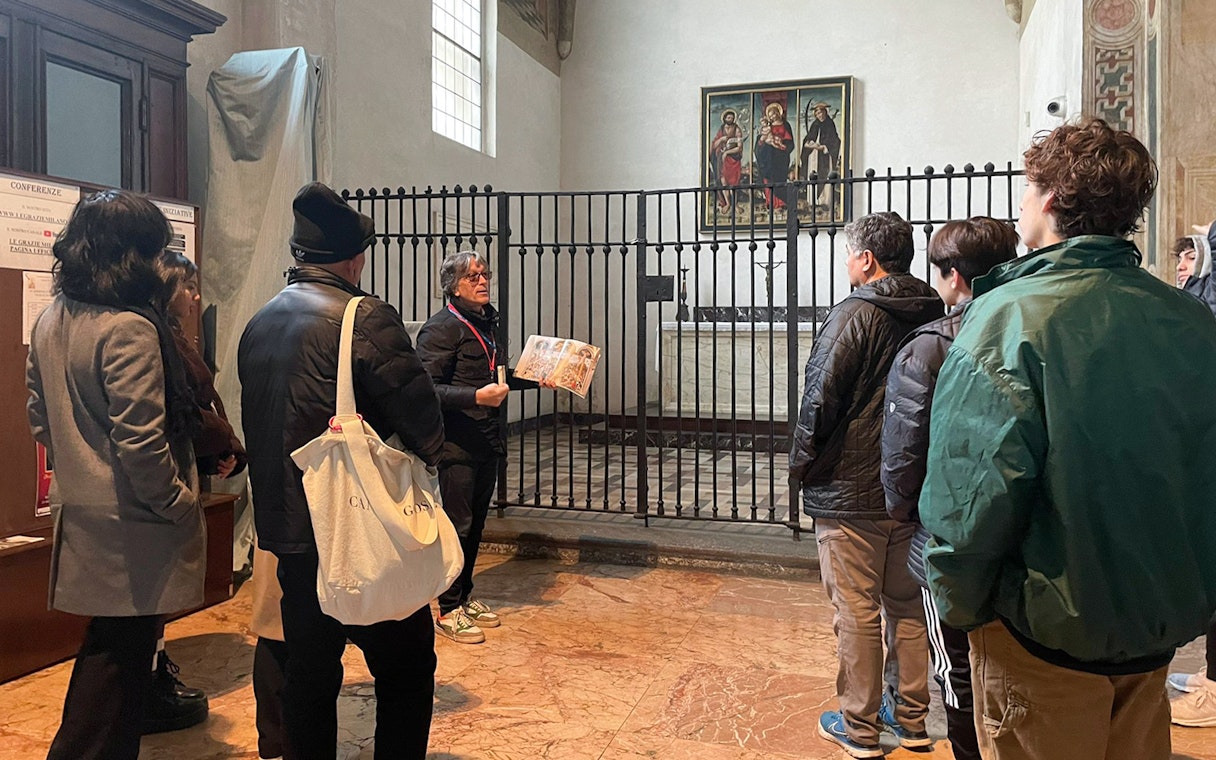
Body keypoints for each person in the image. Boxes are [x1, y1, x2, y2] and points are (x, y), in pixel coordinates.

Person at [919, 118, 1216, 760]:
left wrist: (962, 609)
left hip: (1042, 635)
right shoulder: (1191, 319)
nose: (1021, 205)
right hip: (1152, 627)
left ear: (1050, 199)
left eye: (1027, 190)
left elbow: (973, 498)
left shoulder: (1008, 319)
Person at [238, 181, 445, 760]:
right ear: (355, 258)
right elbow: (424, 422)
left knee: (309, 671)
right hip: (356, 531)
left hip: (289, 533)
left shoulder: (260, 321)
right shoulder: (366, 318)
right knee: (406, 666)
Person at [26, 189, 205, 760]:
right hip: (134, 520)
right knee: (116, 668)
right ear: (134, 255)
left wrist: (81, 467)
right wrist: (179, 503)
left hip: (82, 510)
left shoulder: (52, 316)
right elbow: (142, 442)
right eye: (155, 249)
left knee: (114, 656)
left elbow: (40, 418)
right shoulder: (128, 327)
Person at [788, 211, 942, 758]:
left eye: (849, 254)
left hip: (851, 490)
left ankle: (859, 727)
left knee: (855, 610)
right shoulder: (936, 309)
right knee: (906, 605)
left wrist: (802, 468)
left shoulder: (854, 313)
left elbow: (819, 398)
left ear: (867, 259)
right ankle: (912, 719)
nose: (847, 263)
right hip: (910, 487)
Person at [879, 217, 1018, 760]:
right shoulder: (1031, 323)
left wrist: (907, 515)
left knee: (956, 664)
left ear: (953, 276)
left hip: (947, 534)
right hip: (1019, 526)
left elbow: (904, 452)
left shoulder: (934, 344)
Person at [415, 250, 548, 644]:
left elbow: (498, 375)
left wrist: (540, 378)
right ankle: (448, 609)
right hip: (456, 443)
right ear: (453, 286)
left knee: (475, 526)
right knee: (457, 526)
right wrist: (475, 397)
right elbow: (426, 389)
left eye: (484, 274)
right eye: (472, 276)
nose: (483, 281)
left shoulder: (488, 323)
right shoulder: (440, 329)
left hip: (487, 439)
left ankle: (465, 595)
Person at [800, 102, 842, 211]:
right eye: (818, 113)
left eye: (821, 112)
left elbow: (835, 140)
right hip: (813, 156)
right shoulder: (815, 124)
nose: (820, 115)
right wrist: (808, 143)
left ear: (825, 112)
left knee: (824, 177)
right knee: (813, 175)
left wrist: (824, 147)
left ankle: (824, 202)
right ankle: (813, 201)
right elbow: (808, 138)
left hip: (824, 156)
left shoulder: (829, 124)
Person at [754, 100, 794, 211]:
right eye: (771, 115)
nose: (773, 116)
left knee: (780, 179)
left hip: (780, 158)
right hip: (768, 157)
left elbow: (790, 142)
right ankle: (770, 201)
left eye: (775, 113)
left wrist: (781, 144)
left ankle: (781, 202)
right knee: (768, 179)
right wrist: (763, 141)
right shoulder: (767, 126)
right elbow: (759, 143)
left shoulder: (785, 125)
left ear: (778, 113)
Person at [710, 108, 746, 212]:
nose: (730, 119)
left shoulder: (737, 129)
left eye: (732, 118)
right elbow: (714, 145)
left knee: (734, 183)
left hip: (733, 159)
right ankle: (727, 203)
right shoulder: (721, 130)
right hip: (722, 160)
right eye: (728, 117)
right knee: (724, 181)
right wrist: (721, 139)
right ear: (724, 118)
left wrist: (727, 152)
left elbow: (739, 147)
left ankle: (735, 204)